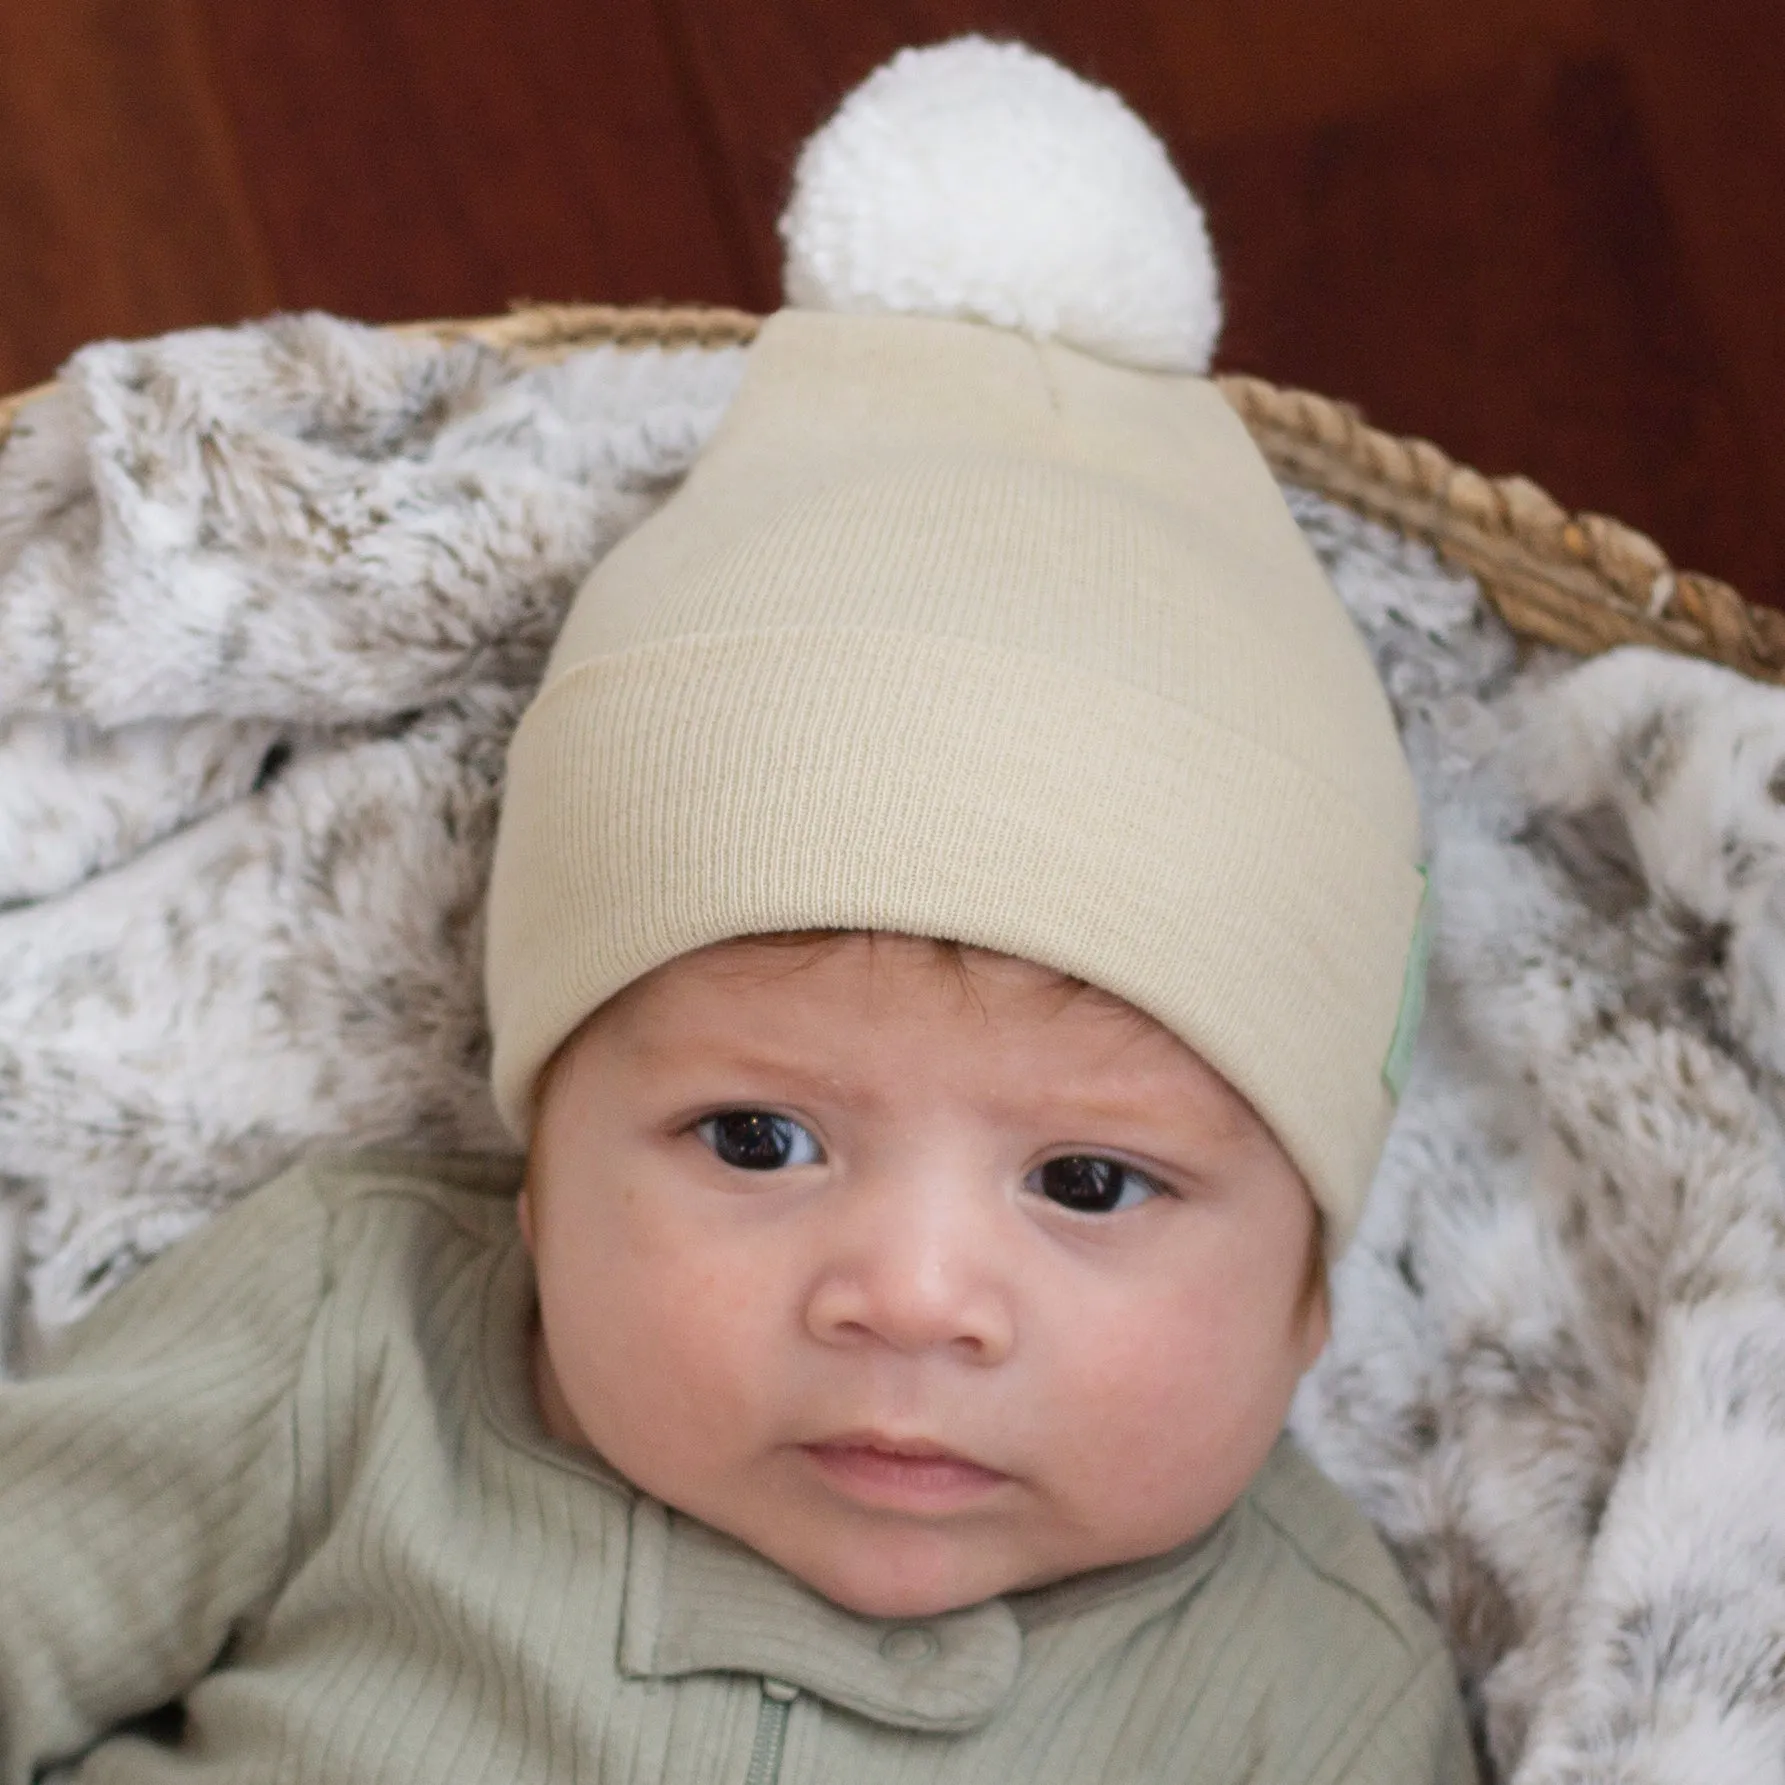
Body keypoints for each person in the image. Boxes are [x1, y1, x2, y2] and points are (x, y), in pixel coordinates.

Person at [0, 38, 1474, 1785]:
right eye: (757, 1137)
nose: (911, 1299)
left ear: (1306, 1291)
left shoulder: (1310, 1696)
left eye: (1089, 1181)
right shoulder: (356, 1341)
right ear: (543, 1162)